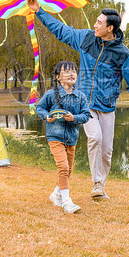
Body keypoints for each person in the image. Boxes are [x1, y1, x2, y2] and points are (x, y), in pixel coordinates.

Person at [28, 0, 129, 199]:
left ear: (111, 28)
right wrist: (39, 11)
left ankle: (100, 186)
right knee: (95, 138)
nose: (95, 25)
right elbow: (61, 30)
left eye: (99, 22)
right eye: (96, 21)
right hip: (85, 104)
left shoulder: (123, 54)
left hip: (107, 106)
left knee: (107, 150)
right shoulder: (86, 38)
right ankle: (96, 183)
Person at [36, 61, 91, 214]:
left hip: (72, 138)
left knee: (68, 170)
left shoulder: (80, 96)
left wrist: (74, 118)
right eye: (67, 72)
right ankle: (67, 202)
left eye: (74, 71)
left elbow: (86, 115)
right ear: (58, 77)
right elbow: (40, 108)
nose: (72, 74)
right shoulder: (50, 94)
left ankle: (56, 194)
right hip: (55, 136)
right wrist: (47, 116)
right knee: (63, 167)